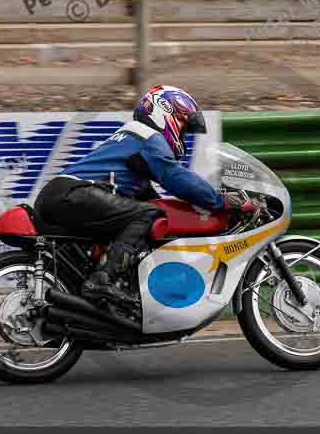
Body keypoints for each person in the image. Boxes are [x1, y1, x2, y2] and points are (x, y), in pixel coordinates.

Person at [34, 85, 252, 306]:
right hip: (72, 194)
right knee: (147, 215)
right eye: (183, 126)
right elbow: (175, 177)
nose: (183, 135)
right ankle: (103, 279)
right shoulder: (148, 137)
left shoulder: (131, 141)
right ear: (164, 112)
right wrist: (220, 200)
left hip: (62, 195)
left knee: (145, 214)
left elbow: (151, 197)